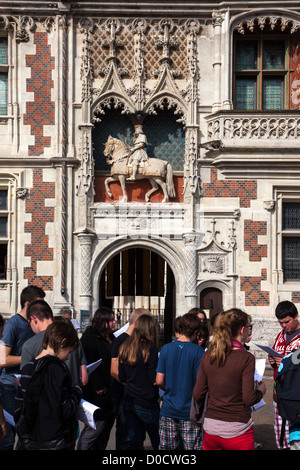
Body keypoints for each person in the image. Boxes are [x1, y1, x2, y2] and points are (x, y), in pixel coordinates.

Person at [193, 308, 266, 451]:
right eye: (249, 327)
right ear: (243, 329)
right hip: (237, 430)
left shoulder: (208, 356)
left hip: (211, 428)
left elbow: (197, 394)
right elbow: (248, 399)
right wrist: (260, 391)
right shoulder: (246, 358)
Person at [14, 321, 82, 450]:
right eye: (69, 351)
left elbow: (19, 407)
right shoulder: (59, 370)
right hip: (57, 441)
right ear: (63, 343)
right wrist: (76, 393)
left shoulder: (28, 368)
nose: (68, 357)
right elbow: (65, 410)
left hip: (30, 440)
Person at [0, 285, 45, 450]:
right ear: (27, 304)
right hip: (9, 386)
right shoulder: (12, 324)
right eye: (39, 304)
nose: (42, 309)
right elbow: (2, 359)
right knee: (9, 436)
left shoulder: (34, 323)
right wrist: (29, 358)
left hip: (27, 384)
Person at [156, 313, 205, 450]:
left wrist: (170, 388)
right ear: (195, 332)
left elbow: (159, 380)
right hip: (190, 410)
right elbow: (199, 383)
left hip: (168, 408)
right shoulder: (199, 351)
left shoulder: (166, 349)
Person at [21, 302, 88, 387]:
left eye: (28, 323)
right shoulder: (74, 340)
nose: (67, 357)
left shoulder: (29, 345)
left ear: (33, 319)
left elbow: (23, 383)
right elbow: (84, 379)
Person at [111, 307, 151, 450]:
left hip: (136, 397)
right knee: (125, 436)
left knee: (137, 435)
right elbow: (114, 370)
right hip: (124, 396)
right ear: (136, 323)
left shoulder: (139, 342)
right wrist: (132, 384)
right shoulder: (121, 341)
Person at [119, 314, 160, 450]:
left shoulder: (125, 347)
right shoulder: (151, 349)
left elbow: (122, 376)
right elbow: (153, 377)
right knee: (158, 440)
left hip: (129, 399)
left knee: (135, 441)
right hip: (147, 400)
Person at [77, 307, 116, 450]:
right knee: (95, 428)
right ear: (102, 321)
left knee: (106, 429)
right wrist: (98, 386)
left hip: (111, 391)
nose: (114, 322)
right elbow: (88, 363)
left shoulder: (112, 338)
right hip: (97, 393)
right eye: (111, 320)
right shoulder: (89, 338)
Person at [268, 300, 300, 449]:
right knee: (279, 429)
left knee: (295, 430)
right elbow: (276, 363)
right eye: (280, 323)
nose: (283, 326)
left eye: (286, 322)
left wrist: (286, 362)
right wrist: (273, 360)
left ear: (296, 316)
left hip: (295, 393)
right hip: (279, 390)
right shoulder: (280, 336)